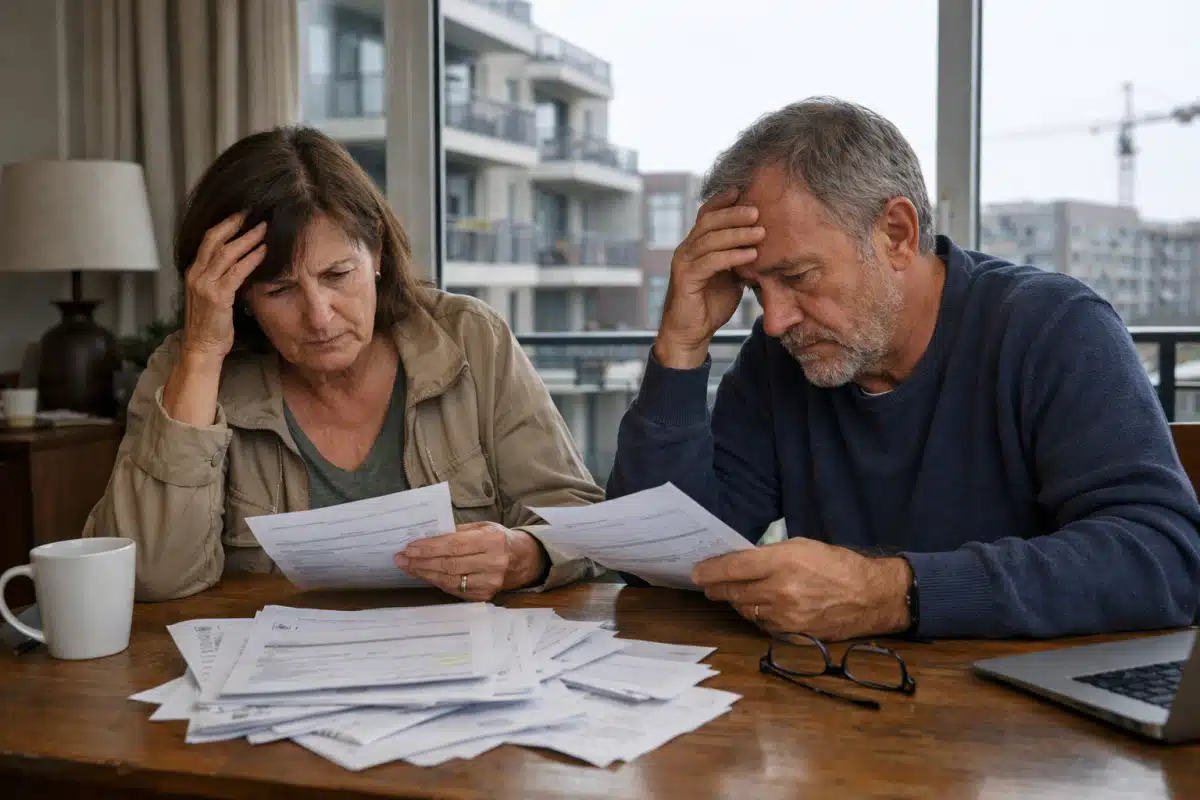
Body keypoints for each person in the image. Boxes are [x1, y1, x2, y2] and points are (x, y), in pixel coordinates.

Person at [608, 97, 1200, 640]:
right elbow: (660, 562)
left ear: (896, 234)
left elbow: (1164, 557)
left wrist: (894, 593)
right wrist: (680, 346)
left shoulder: (1054, 328)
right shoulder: (782, 358)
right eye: (753, 287)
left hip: (1038, 735)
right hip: (848, 718)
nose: (774, 319)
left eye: (796, 277)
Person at [84, 126, 602, 602]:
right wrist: (200, 357)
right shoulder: (188, 369)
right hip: (276, 679)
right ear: (239, 296)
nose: (319, 315)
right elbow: (151, 574)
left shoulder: (472, 338)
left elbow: (578, 520)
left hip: (467, 666)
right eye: (280, 289)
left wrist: (522, 556)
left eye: (337, 274)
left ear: (376, 253)